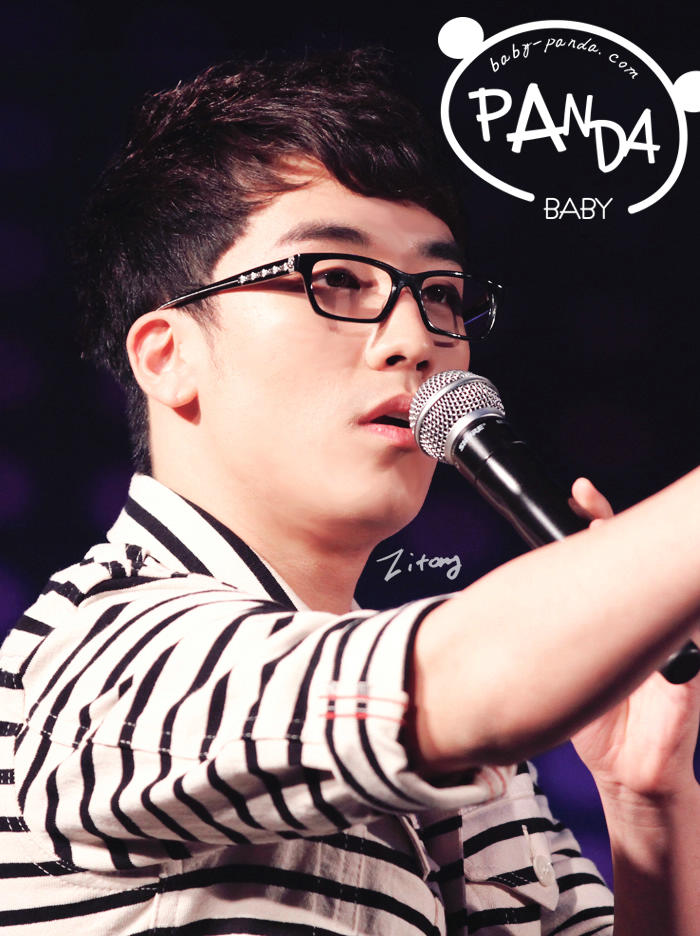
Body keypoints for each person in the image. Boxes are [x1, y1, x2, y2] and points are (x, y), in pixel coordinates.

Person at [0, 51, 698, 935]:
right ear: (167, 356)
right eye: (334, 279)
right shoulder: (97, 650)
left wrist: (646, 799)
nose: (416, 338)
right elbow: (454, 680)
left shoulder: (494, 771)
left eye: (441, 294)